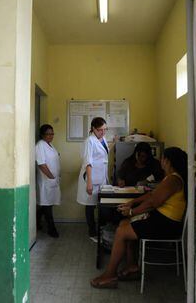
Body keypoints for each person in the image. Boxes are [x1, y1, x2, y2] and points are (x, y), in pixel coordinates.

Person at [90, 147, 187, 288]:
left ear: (168, 161)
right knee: (124, 223)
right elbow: (151, 195)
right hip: (161, 219)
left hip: (166, 225)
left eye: (163, 158)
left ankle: (109, 275)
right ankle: (132, 267)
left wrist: (132, 212)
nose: (161, 161)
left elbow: (153, 202)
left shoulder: (173, 180)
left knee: (122, 231)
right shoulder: (170, 178)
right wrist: (132, 202)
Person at [77, 117, 109, 242]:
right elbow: (88, 162)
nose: (103, 132)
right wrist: (89, 182)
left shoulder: (102, 139)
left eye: (105, 129)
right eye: (100, 130)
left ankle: (101, 230)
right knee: (90, 206)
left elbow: (103, 155)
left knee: (101, 205)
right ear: (93, 129)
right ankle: (92, 233)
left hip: (101, 177)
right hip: (91, 177)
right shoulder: (89, 141)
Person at [36, 124, 61, 238]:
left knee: (47, 204)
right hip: (46, 181)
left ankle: (37, 222)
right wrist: (51, 176)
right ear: (42, 135)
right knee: (47, 205)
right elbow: (41, 163)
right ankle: (52, 229)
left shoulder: (50, 145)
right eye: (48, 134)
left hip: (52, 180)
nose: (51, 136)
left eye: (52, 133)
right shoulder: (40, 145)